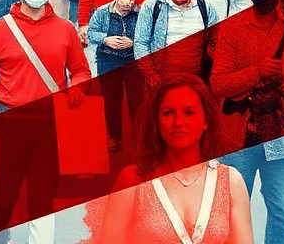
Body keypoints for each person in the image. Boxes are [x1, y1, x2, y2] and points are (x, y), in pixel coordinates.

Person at [0, 0, 91, 244]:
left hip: (49, 122)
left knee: (42, 199)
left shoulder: (65, 28)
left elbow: (80, 70)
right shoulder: (0, 29)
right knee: (3, 197)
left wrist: (77, 87)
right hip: (9, 121)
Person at [211, 0, 284, 244]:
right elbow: (218, 84)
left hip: (283, 131)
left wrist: (283, 81)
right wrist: (256, 73)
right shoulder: (231, 29)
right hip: (238, 133)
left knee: (283, 210)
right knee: (230, 211)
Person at [97, 74, 253, 244]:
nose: (178, 122)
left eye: (189, 112)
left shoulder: (231, 181)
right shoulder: (131, 181)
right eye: (168, 113)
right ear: (156, 121)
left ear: (206, 120)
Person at [133, 0, 219, 82]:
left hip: (196, 80)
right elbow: (141, 43)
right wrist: (152, 76)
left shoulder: (205, 4)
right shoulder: (151, 5)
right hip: (160, 79)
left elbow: (214, 40)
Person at [87, 0, 143, 153]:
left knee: (137, 101)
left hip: (132, 61)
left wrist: (133, 42)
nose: (127, 2)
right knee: (111, 101)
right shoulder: (102, 12)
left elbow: (148, 34)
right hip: (108, 60)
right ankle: (114, 137)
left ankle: (139, 138)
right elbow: (91, 32)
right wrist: (106, 39)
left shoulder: (141, 13)